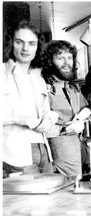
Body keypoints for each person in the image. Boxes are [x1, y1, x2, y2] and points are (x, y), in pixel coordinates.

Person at [2, 20, 58, 176]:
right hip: (15, 154)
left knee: (49, 198)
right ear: (11, 44)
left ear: (37, 47)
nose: (26, 48)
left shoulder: (38, 78)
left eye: (31, 43)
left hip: (42, 150)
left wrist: (50, 116)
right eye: (19, 42)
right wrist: (21, 118)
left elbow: (45, 110)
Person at [41, 40, 91, 176]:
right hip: (59, 154)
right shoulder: (43, 88)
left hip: (83, 151)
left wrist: (85, 123)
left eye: (69, 57)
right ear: (50, 61)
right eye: (60, 58)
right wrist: (65, 129)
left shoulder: (73, 87)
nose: (67, 62)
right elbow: (38, 125)